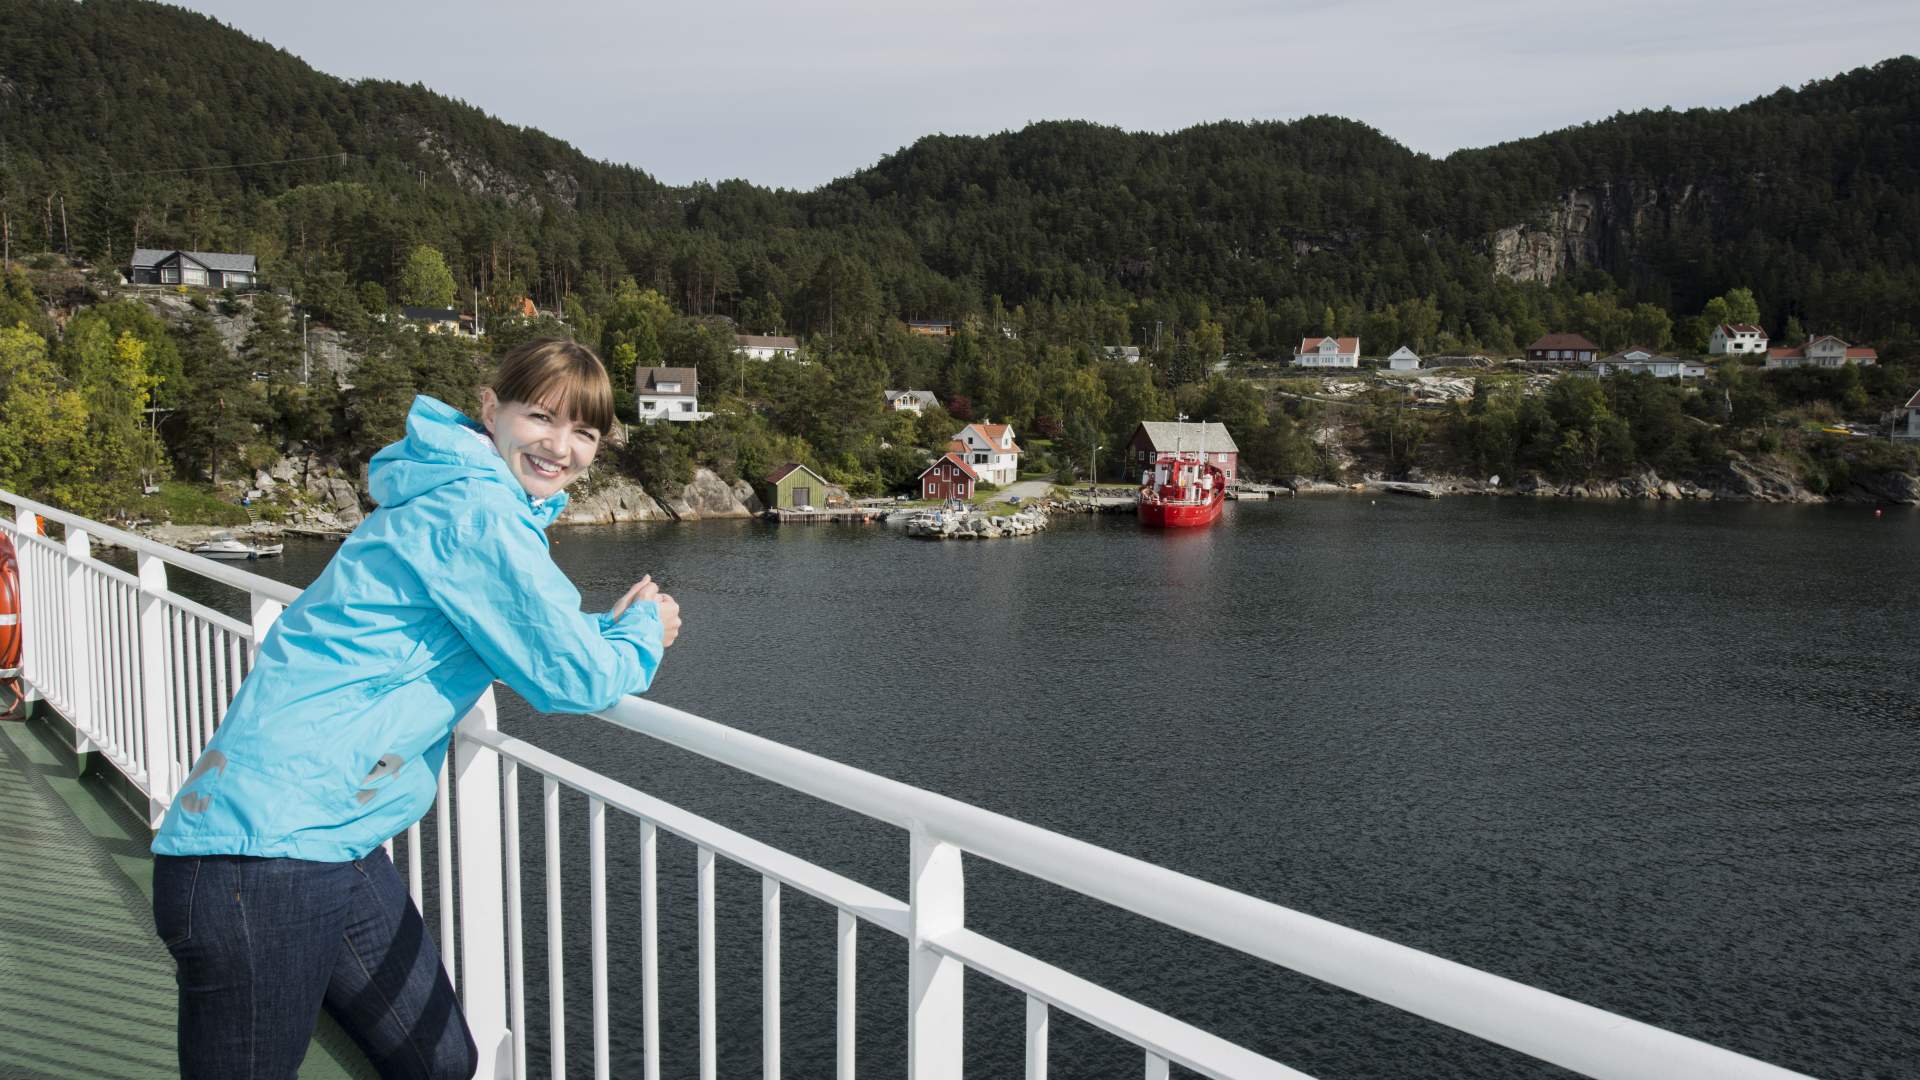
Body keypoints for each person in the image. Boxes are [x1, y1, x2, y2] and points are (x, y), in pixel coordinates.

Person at [150, 338, 681, 1079]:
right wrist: (641, 635)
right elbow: (573, 680)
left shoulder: (460, 497)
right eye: (542, 418)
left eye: (586, 432)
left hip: (326, 838)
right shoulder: (474, 512)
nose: (562, 446)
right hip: (261, 860)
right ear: (491, 409)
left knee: (438, 1061)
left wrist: (599, 632)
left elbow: (507, 633)